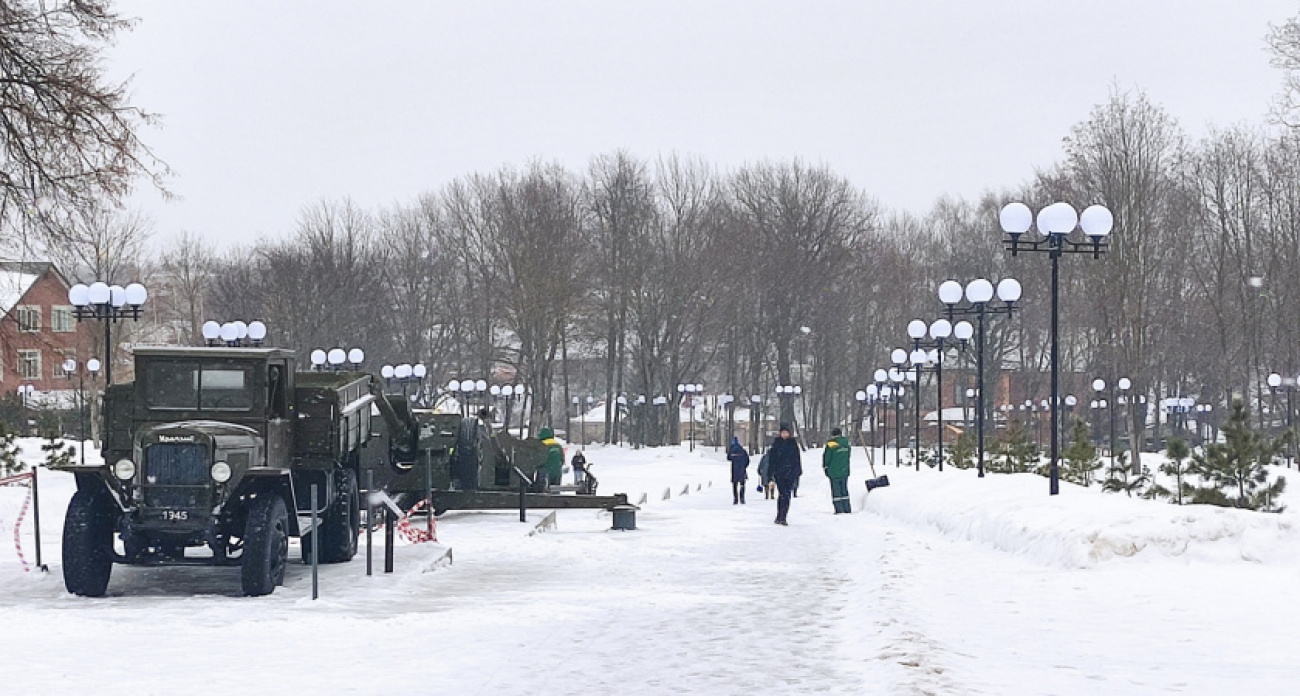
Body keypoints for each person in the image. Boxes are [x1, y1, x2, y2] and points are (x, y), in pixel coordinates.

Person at [768, 422, 802, 525]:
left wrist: (797, 471)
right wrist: (770, 473)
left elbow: (797, 458)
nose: (784, 435)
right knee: (782, 494)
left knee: (787, 495)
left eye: (786, 433)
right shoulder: (776, 443)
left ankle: (783, 516)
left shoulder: (793, 443)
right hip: (779, 473)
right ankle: (780, 515)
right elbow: (772, 459)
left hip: (790, 473)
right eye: (783, 433)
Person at [823, 427, 851, 514]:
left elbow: (827, 456)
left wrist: (826, 467)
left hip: (834, 471)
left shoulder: (832, 443)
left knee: (836, 490)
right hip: (845, 470)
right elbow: (848, 455)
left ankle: (839, 509)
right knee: (844, 489)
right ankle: (847, 508)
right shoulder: (846, 442)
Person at [727, 437, 750, 504]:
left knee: (734, 485)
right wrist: (744, 466)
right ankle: (742, 498)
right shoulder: (743, 450)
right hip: (742, 470)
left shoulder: (732, 451)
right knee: (742, 484)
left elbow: (728, 458)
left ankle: (735, 499)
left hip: (734, 470)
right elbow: (747, 460)